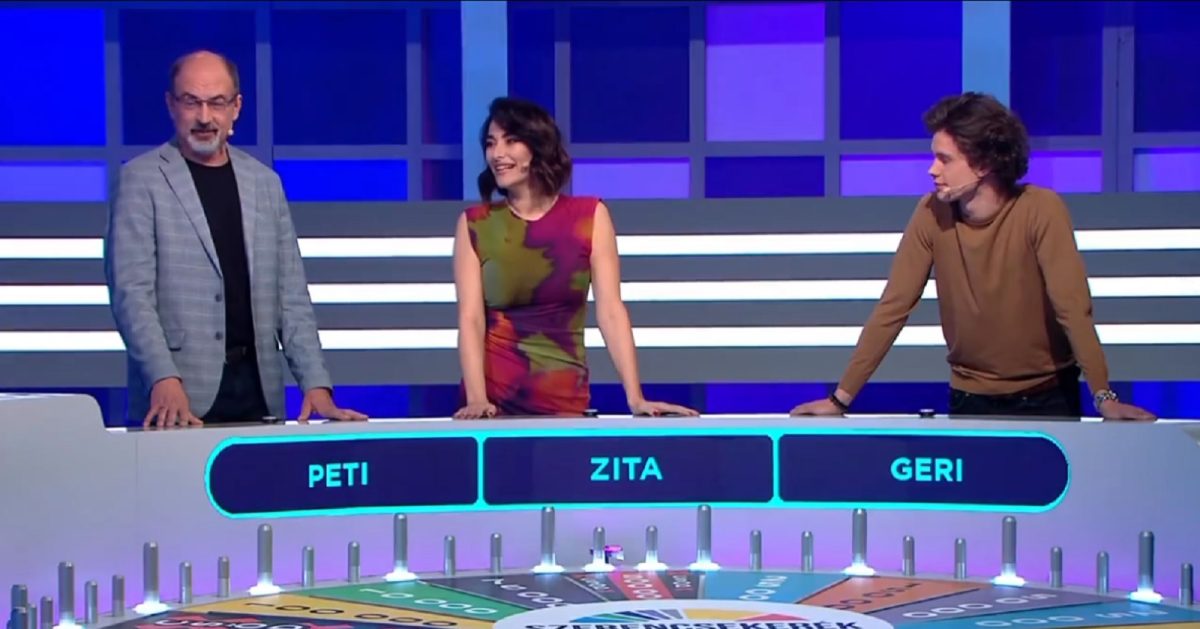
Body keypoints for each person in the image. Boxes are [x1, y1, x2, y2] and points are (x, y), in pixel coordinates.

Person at [790, 92, 1155, 421]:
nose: (932, 169)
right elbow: (894, 307)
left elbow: (1072, 308)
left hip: (1047, 399)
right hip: (969, 399)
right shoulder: (931, 213)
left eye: (944, 159)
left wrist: (1103, 396)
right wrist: (840, 398)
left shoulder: (1041, 209)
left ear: (983, 164)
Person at [104, 50, 366, 427]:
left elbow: (291, 297)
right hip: (177, 399)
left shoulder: (264, 183)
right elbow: (132, 295)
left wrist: (316, 386)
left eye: (217, 102)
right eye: (191, 102)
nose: (204, 116)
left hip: (259, 394)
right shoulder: (141, 180)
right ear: (171, 105)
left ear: (236, 108)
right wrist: (163, 377)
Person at [452, 97, 698, 419]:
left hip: (564, 403)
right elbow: (471, 319)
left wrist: (636, 398)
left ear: (538, 147)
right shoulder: (475, 224)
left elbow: (611, 311)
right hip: (493, 408)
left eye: (510, 141)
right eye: (490, 143)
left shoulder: (590, 216)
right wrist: (476, 400)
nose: (497, 153)